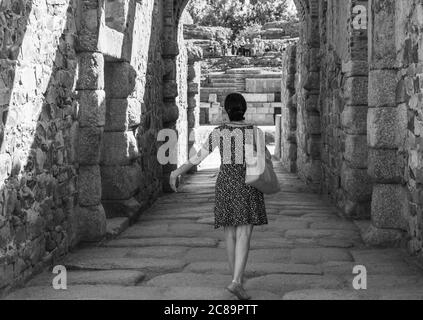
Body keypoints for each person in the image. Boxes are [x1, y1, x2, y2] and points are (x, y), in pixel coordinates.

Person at [169, 93, 269, 300]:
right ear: (244, 110)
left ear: (226, 110)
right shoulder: (255, 132)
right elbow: (265, 159)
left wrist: (176, 172)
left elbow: (197, 158)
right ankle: (236, 282)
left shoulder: (219, 132)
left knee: (230, 234)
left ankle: (236, 280)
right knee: (244, 234)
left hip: (225, 184)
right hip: (248, 184)